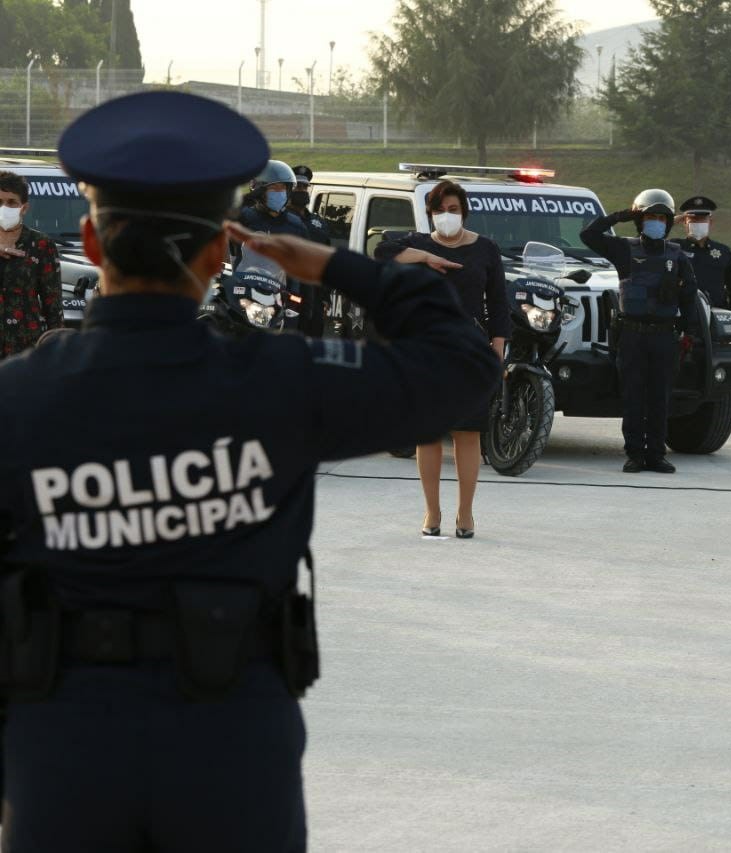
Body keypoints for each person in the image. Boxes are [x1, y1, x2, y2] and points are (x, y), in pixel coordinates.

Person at [0, 90, 498, 850]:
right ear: (220, 250)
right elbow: (463, 369)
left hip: (62, 748)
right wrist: (343, 266)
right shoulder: (280, 381)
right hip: (230, 739)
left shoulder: (18, 397)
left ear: (92, 244)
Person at [375, 180, 507, 538]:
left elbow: (498, 304)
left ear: (464, 212)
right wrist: (425, 257)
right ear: (429, 214)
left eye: (452, 210)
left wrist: (498, 347)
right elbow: (381, 253)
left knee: (467, 432)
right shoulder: (418, 243)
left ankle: (465, 514)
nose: (446, 217)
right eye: (439, 211)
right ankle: (431, 513)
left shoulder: (486, 250)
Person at [581, 189, 699, 473]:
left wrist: (689, 334)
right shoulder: (624, 249)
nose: (655, 222)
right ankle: (634, 453)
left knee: (660, 397)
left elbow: (689, 297)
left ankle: (656, 454)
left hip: (663, 336)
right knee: (633, 396)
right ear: (640, 220)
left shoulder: (677, 256)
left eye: (661, 217)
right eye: (649, 217)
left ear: (669, 222)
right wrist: (622, 215)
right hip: (632, 335)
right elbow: (589, 235)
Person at [235, 159, 323, 335]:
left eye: (284, 188)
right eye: (275, 189)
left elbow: (306, 272)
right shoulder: (244, 218)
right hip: (248, 299)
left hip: (286, 301)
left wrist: (307, 313)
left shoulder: (296, 225)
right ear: (260, 191)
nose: (280, 193)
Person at [0, 170, 63, 359]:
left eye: (11, 202)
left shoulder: (41, 244)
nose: (4, 207)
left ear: (24, 208)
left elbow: (52, 303)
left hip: (25, 348)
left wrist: (58, 350)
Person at [676, 195, 731, 315]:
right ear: (684, 222)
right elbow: (650, 243)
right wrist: (672, 220)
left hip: (716, 313)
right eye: (693, 220)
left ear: (710, 222)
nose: (698, 223)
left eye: (702, 219)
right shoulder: (675, 248)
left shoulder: (723, 252)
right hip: (682, 313)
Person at [287, 165, 334, 336]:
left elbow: (327, 259)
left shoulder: (318, 223)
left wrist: (325, 297)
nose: (302, 190)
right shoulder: (280, 220)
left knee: (312, 342)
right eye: (297, 187)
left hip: (314, 295)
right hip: (287, 292)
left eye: (305, 187)